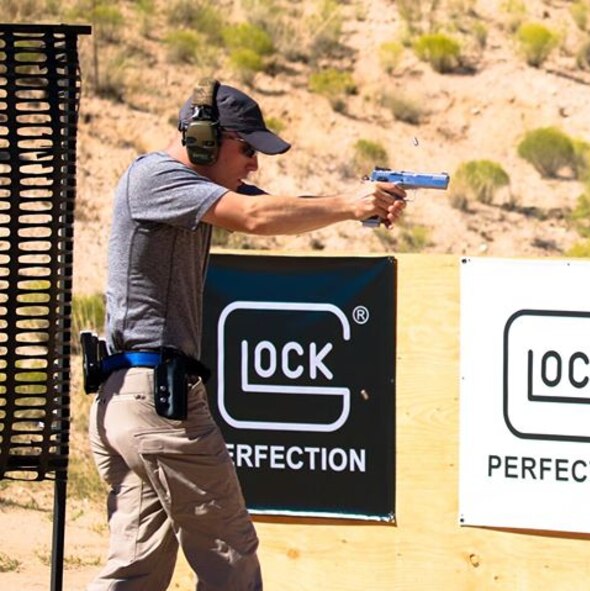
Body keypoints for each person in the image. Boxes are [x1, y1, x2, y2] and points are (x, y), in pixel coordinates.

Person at [87, 80, 406, 590]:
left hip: (133, 401)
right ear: (203, 140)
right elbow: (257, 217)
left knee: (136, 571)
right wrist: (349, 204)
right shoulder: (156, 178)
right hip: (158, 403)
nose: (253, 164)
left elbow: (276, 203)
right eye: (245, 150)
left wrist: (359, 202)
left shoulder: (177, 185)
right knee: (230, 557)